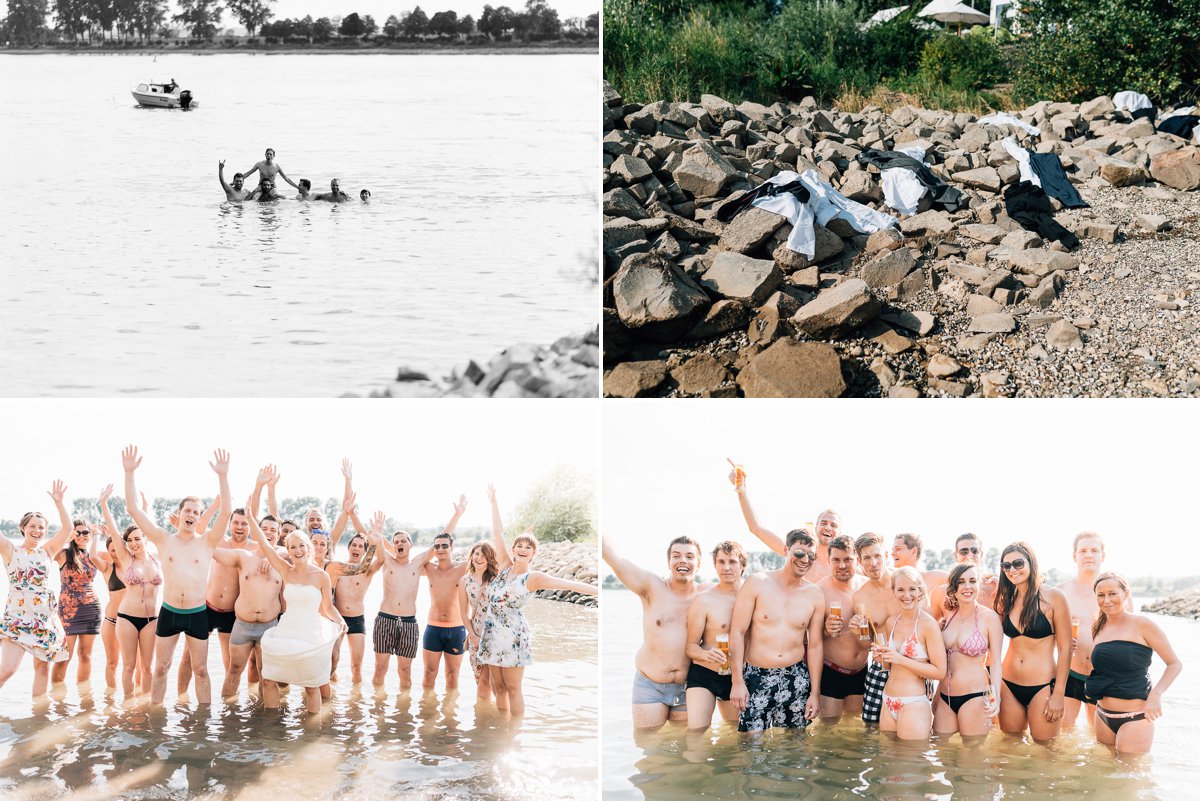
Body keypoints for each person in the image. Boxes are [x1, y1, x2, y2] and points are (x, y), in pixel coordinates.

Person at [122, 444, 233, 706]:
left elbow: (227, 511)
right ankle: (156, 717)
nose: (191, 515)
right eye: (187, 510)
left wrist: (222, 476)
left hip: (197, 613)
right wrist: (129, 473)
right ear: (179, 513)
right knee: (161, 668)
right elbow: (133, 509)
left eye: (196, 512)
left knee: (201, 670)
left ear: (199, 518)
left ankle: (203, 720)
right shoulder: (163, 539)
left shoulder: (207, 542)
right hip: (170, 612)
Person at [476, 492, 597, 718]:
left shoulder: (533, 578)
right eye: (519, 545)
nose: (523, 549)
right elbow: (498, 532)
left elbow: (569, 585)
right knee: (497, 687)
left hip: (513, 636)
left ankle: (515, 730)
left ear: (533, 554)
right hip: (492, 634)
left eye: (528, 547)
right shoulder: (503, 567)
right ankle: (501, 729)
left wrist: (598, 591)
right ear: (513, 549)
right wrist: (494, 503)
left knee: (513, 688)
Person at [247, 508, 346, 714]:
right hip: (286, 631)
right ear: (288, 550)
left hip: (309, 633)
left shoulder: (321, 576)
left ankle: (313, 728)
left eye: (301, 545)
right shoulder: (286, 570)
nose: (298, 550)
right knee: (269, 679)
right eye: (293, 547)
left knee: (311, 685)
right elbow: (265, 545)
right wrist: (250, 518)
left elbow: (328, 607)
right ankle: (272, 723)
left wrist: (340, 621)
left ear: (308, 548)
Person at [602, 531, 702, 728]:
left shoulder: (708, 595)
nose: (683, 560)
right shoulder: (651, 586)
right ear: (668, 562)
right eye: (676, 556)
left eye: (690, 556)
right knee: (647, 743)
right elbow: (613, 556)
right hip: (650, 684)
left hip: (690, 686)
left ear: (698, 563)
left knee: (686, 746)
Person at [728, 528, 824, 733]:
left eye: (811, 555)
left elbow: (815, 646)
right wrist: (737, 681)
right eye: (799, 553)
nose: (805, 560)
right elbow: (737, 632)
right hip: (756, 676)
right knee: (751, 744)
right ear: (786, 550)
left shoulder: (814, 594)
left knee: (795, 745)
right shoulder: (757, 582)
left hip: (796, 677)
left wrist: (815, 693)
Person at [1086, 573, 1182, 755]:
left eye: (1112, 593)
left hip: (1135, 718)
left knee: (1128, 773)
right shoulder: (1098, 626)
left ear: (1126, 594)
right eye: (1101, 595)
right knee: (1102, 771)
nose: (1107, 600)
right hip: (1103, 715)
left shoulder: (1142, 624)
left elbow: (1174, 664)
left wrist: (1156, 695)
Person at [0, 481, 74, 697]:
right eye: (32, 526)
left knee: (42, 669)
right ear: (23, 528)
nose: (37, 531)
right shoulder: (10, 550)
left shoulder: (48, 551)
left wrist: (59, 503)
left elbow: (68, 529)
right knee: (7, 669)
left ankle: (39, 713)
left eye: (41, 527)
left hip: (43, 618)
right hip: (17, 618)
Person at [994, 541, 1071, 741]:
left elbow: (1065, 649)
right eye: (1006, 565)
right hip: (1008, 685)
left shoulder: (1054, 597)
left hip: (1043, 686)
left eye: (1018, 563)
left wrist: (1059, 694)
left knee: (1045, 749)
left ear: (1031, 562)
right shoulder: (1005, 600)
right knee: (1009, 748)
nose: (1012, 570)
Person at [1057, 531, 1130, 728]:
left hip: (1103, 676)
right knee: (1062, 733)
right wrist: (1060, 640)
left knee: (1097, 734)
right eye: (1083, 551)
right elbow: (1047, 634)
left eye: (1094, 550)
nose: (1088, 555)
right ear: (1075, 556)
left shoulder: (1117, 594)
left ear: (1102, 556)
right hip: (1070, 673)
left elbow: (1133, 637)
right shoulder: (1061, 592)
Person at [727, 459, 839, 582]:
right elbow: (757, 528)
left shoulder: (843, 565)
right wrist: (741, 490)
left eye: (833, 525)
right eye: (823, 523)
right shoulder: (797, 553)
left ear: (839, 533)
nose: (828, 527)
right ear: (816, 528)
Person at [99, 491, 162, 698]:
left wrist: (145, 507)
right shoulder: (126, 559)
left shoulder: (157, 557)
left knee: (148, 668)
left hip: (152, 619)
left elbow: (149, 525)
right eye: (129, 540)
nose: (133, 543)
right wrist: (104, 504)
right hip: (126, 618)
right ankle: (127, 705)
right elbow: (114, 530)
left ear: (145, 538)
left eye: (137, 538)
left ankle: (147, 705)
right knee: (128, 666)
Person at [872, 567, 945, 740]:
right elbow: (891, 666)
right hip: (888, 700)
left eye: (912, 589)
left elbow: (939, 672)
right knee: (886, 755)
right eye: (900, 590)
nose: (907, 595)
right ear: (894, 592)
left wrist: (901, 659)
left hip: (913, 703)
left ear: (920, 591)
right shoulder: (891, 622)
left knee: (909, 757)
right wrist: (881, 659)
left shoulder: (928, 624)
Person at [934, 564, 1003, 740]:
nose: (967, 587)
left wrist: (996, 695)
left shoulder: (989, 618)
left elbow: (996, 662)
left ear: (978, 584)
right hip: (945, 698)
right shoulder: (949, 616)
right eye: (961, 582)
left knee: (972, 753)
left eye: (972, 581)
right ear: (953, 587)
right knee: (941, 749)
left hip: (975, 697)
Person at [683, 541, 746, 730]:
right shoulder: (704, 600)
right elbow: (691, 647)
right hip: (705, 674)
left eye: (732, 562)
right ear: (715, 565)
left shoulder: (752, 598)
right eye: (721, 562)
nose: (726, 568)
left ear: (743, 565)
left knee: (735, 735)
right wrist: (705, 654)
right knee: (696, 733)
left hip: (739, 677)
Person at [370, 518, 436, 690]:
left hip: (408, 623)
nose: (399, 544)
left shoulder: (417, 563)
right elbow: (375, 542)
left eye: (403, 541)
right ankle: (377, 705)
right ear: (393, 546)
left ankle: (404, 706)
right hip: (385, 620)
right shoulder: (387, 561)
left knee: (405, 671)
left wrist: (457, 515)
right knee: (380, 668)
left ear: (410, 544)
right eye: (396, 542)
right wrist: (376, 536)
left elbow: (439, 542)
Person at [326, 494, 384, 684]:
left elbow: (381, 559)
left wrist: (376, 540)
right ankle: (332, 693)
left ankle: (356, 697)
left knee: (356, 666)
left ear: (365, 551)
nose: (357, 548)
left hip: (357, 619)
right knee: (332, 661)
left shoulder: (367, 571)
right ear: (348, 547)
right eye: (354, 545)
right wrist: (348, 513)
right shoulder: (338, 568)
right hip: (337, 618)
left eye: (361, 546)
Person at [815, 534, 868, 722]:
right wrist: (825, 630)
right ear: (828, 561)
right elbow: (806, 638)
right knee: (828, 729)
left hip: (861, 671)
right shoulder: (819, 591)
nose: (842, 565)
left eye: (848, 559)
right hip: (831, 672)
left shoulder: (867, 587)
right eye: (836, 560)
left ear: (857, 560)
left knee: (854, 729)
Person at [848, 532, 898, 724]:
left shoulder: (904, 584)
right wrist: (857, 634)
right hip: (879, 668)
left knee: (913, 728)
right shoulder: (860, 598)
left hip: (910, 666)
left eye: (877, 556)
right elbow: (866, 644)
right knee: (871, 728)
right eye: (867, 558)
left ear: (886, 556)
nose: (873, 563)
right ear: (860, 561)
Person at [421, 495, 469, 692]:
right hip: (433, 628)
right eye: (437, 546)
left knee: (452, 675)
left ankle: (450, 710)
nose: (440, 549)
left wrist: (457, 516)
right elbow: (403, 560)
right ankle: (426, 707)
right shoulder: (428, 568)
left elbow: (490, 557)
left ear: (452, 547)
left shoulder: (463, 568)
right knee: (429, 673)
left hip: (457, 629)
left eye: (444, 545)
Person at [51, 518, 103, 686]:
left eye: (85, 532)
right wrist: (66, 536)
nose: (81, 535)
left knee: (85, 655)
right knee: (64, 656)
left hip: (91, 609)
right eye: (77, 532)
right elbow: (46, 552)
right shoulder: (63, 554)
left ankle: (84, 695)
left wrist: (98, 535)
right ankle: (56, 696)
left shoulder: (93, 555)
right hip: (68, 612)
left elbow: (120, 555)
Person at [459, 541, 501, 705]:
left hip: (496, 633)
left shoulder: (497, 579)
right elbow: (463, 613)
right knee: (481, 681)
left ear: (490, 558)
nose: (479, 558)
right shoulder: (465, 581)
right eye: (477, 554)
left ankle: (502, 715)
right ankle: (483, 715)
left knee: (496, 682)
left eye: (484, 555)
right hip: (475, 632)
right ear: (472, 555)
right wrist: (473, 636)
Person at [929, 533, 998, 621]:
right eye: (964, 552)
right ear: (956, 556)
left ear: (981, 555)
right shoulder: (941, 592)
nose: (969, 555)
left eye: (975, 551)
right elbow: (930, 626)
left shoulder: (994, 588)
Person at [892, 533, 948, 597]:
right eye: (892, 550)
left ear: (913, 551)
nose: (892, 553)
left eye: (898, 549)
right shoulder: (889, 580)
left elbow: (956, 579)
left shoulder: (933, 578)